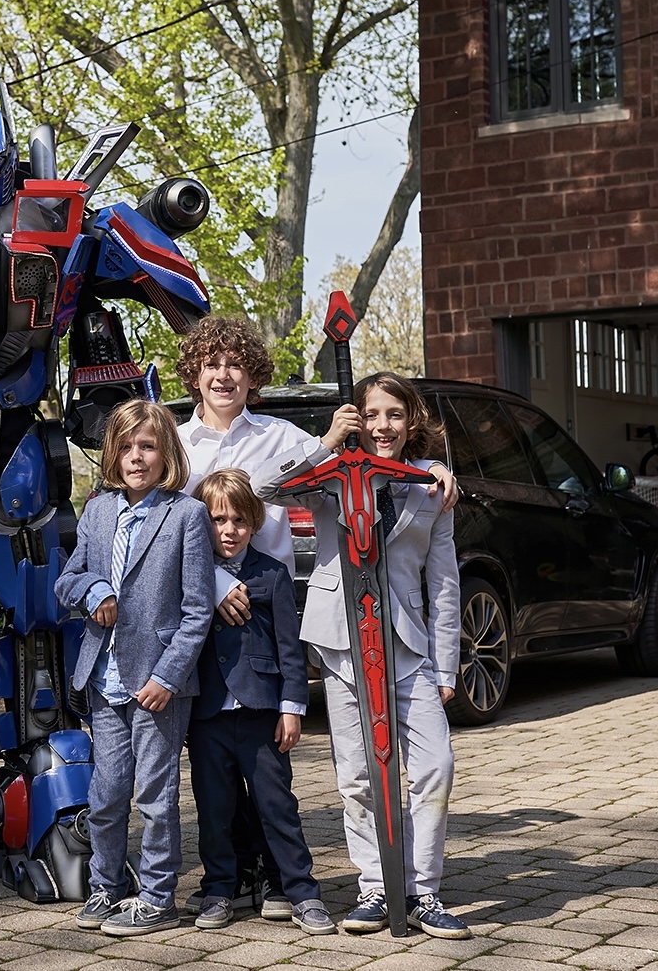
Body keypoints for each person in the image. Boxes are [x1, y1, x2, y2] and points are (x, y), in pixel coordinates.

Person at [173, 315, 456, 919]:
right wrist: (328, 444)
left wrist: (428, 469)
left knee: (412, 765)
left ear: (253, 376)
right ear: (194, 375)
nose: (224, 375)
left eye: (236, 364)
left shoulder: (281, 432)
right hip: (241, 616)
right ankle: (251, 880)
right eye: (211, 364)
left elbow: (444, 579)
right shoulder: (176, 442)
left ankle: (397, 889)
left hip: (293, 616)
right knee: (229, 760)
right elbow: (254, 498)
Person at [252, 371, 471, 940]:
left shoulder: (430, 486)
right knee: (355, 777)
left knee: (433, 767)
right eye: (371, 415)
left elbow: (443, 582)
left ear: (411, 422)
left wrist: (446, 665)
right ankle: (375, 886)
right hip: (342, 639)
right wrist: (325, 441)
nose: (382, 426)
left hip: (406, 644)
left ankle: (424, 892)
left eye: (394, 415)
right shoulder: (327, 473)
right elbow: (263, 490)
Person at [54, 399, 215, 938]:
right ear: (112, 455)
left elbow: (197, 610)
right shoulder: (98, 510)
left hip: (157, 684)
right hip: (104, 679)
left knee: (155, 794)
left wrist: (168, 676)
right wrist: (94, 588)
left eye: (147, 447)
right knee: (106, 793)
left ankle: (157, 896)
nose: (136, 457)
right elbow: (68, 579)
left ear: (166, 452)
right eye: (126, 447)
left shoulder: (186, 515)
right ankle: (106, 886)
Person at [187, 469, 334, 936]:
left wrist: (292, 707)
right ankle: (220, 887)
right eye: (216, 520)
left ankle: (299, 890)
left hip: (263, 714)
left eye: (238, 521)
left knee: (276, 805)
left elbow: (290, 649)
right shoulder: (192, 576)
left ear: (253, 522)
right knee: (214, 808)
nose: (228, 531)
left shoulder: (272, 573)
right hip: (207, 714)